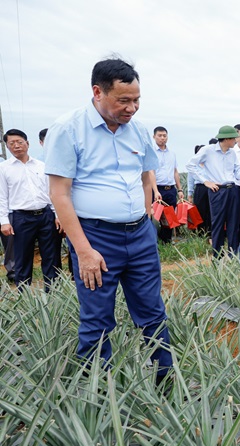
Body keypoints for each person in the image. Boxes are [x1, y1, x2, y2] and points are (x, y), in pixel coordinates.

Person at [45, 57, 174, 386]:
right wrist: (84, 250)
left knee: (153, 312)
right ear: (97, 92)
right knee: (98, 319)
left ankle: (168, 382)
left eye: (136, 100)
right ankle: (97, 396)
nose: (132, 108)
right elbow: (60, 194)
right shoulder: (69, 129)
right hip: (96, 238)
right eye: (124, 100)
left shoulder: (139, 131)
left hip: (140, 236)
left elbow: (146, 177)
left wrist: (145, 217)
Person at [0, 129, 62, 289]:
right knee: (22, 257)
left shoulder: (42, 166)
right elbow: (2, 197)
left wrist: (57, 215)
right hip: (21, 218)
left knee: (51, 255)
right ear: (7, 147)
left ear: (27, 144)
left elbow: (51, 192)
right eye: (12, 143)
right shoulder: (4, 169)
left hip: (45, 215)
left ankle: (53, 292)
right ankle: (25, 293)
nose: (16, 146)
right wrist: (4, 222)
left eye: (19, 142)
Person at [185, 126, 240, 257]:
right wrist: (205, 181)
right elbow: (190, 164)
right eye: (234, 138)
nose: (236, 141)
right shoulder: (208, 150)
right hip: (217, 191)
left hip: (232, 190)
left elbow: (237, 168)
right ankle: (217, 255)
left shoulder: (232, 153)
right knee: (217, 223)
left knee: (233, 223)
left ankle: (233, 254)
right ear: (227, 139)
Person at [152, 126, 183, 244]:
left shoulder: (172, 153)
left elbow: (175, 172)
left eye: (164, 136)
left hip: (170, 189)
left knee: (169, 217)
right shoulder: (152, 153)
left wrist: (179, 189)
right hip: (157, 189)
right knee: (155, 217)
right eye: (159, 136)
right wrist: (155, 191)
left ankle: (167, 242)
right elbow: (151, 173)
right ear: (154, 136)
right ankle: (154, 242)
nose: (162, 138)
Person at [187, 143, 212, 234]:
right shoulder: (194, 166)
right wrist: (189, 194)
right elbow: (190, 180)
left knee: (210, 210)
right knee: (200, 211)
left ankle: (210, 232)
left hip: (210, 187)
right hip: (200, 189)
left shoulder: (209, 164)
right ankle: (200, 232)